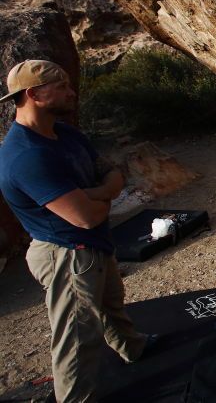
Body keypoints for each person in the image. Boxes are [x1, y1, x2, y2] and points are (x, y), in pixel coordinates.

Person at [0, 60, 155, 402]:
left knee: (111, 303)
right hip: (67, 254)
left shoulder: (64, 132)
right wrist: (101, 196)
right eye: (63, 87)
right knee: (76, 337)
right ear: (34, 94)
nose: (72, 93)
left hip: (91, 244)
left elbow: (112, 174)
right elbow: (84, 216)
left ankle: (134, 348)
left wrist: (97, 193)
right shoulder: (27, 157)